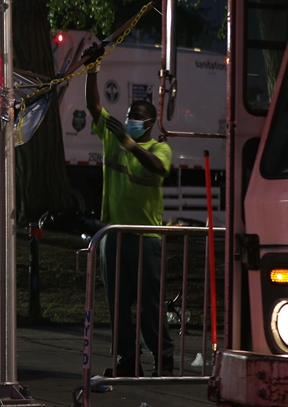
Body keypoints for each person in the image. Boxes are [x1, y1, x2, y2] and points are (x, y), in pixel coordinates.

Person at [82, 41, 174, 378]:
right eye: (128, 116)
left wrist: (129, 143)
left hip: (146, 237)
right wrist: (93, 69)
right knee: (118, 304)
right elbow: (94, 106)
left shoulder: (160, 148)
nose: (129, 120)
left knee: (150, 305)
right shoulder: (114, 135)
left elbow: (158, 167)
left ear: (148, 123)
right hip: (114, 234)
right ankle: (126, 361)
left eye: (136, 117)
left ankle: (164, 360)